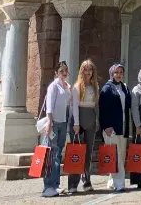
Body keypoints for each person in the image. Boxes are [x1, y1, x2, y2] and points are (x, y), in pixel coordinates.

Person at [68, 58, 99, 193]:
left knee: (88, 153)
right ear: (81, 71)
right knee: (76, 153)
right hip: (78, 121)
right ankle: (72, 184)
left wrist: (96, 121)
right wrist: (76, 123)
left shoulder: (95, 87)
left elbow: (95, 106)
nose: (88, 72)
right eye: (85, 69)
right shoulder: (77, 87)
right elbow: (74, 106)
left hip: (90, 120)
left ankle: (86, 181)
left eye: (90, 69)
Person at [98, 63, 130, 192]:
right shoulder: (107, 88)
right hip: (111, 127)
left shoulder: (124, 87)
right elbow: (103, 109)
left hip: (122, 125)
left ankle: (112, 181)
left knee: (120, 155)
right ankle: (120, 183)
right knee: (115, 155)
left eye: (121, 72)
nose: (119, 75)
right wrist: (106, 126)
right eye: (116, 72)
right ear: (112, 73)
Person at [41, 62, 71, 198]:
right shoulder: (53, 86)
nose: (64, 73)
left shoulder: (66, 87)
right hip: (54, 123)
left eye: (65, 71)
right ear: (56, 73)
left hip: (63, 123)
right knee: (51, 155)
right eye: (61, 71)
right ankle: (48, 186)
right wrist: (49, 122)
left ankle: (56, 185)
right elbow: (49, 106)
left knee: (58, 155)